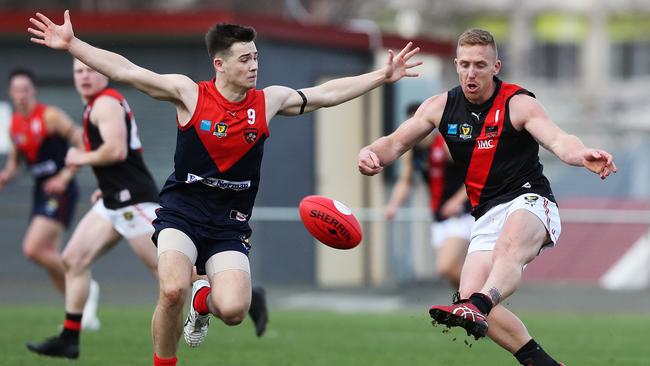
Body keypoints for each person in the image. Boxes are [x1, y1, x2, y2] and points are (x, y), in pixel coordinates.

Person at [28, 10, 420, 365]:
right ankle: (165, 361)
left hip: (229, 224)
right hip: (182, 213)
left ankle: (204, 301)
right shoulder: (189, 94)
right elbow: (126, 70)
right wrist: (73, 45)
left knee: (232, 310)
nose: (254, 66)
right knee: (171, 290)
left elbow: (326, 94)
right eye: (245, 59)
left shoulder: (267, 102)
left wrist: (382, 76)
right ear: (220, 64)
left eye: (256, 58)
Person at [358, 28, 616, 366]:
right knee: (466, 297)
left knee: (498, 266)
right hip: (486, 212)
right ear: (455, 65)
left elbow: (557, 139)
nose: (471, 73)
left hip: (530, 200)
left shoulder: (518, 103)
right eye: (464, 65)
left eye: (480, 65)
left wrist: (582, 154)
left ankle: (480, 304)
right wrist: (369, 153)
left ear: (496, 66)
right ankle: (541, 362)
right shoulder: (440, 107)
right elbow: (394, 143)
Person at [25, 59, 161, 359]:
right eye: (78, 71)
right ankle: (70, 338)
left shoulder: (106, 103)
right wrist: (105, 185)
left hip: (134, 201)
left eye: (90, 70)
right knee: (73, 259)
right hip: (113, 200)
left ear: (104, 74)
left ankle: (241, 297)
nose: (84, 76)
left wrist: (77, 158)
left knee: (172, 274)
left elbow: (116, 150)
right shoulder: (96, 105)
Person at [0, 68, 100, 330]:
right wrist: (5, 176)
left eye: (25, 90)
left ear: (33, 91)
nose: (21, 95)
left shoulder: (50, 116)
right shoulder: (13, 126)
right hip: (40, 191)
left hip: (60, 190)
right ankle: (78, 310)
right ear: (10, 93)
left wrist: (65, 176)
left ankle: (86, 284)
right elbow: (15, 164)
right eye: (16, 90)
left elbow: (83, 142)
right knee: (49, 255)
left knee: (33, 249)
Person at [385, 102, 471, 289]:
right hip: (438, 215)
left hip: (461, 213)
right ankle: (473, 307)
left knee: (445, 267)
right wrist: (394, 204)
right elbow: (406, 180)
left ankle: (481, 302)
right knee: (452, 274)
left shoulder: (446, 145)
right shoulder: (413, 151)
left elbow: (475, 175)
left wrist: (456, 201)